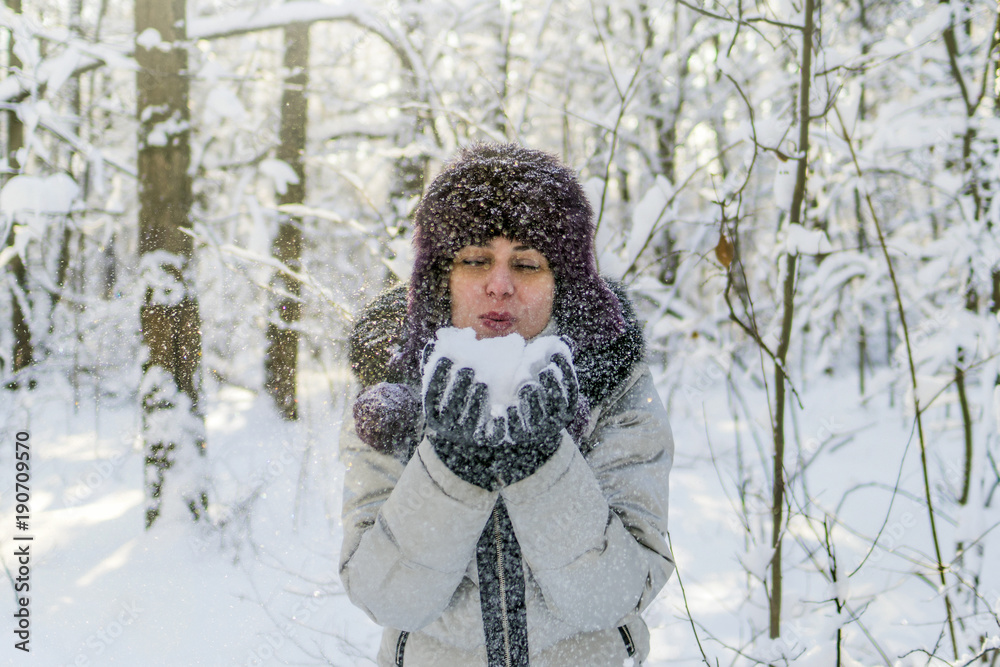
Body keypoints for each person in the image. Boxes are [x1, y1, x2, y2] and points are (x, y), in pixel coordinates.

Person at [340, 142, 674, 666]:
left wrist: (544, 467)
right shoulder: (393, 394)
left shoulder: (616, 389)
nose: (500, 286)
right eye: (475, 260)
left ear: (563, 283)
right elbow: (388, 599)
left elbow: (612, 598)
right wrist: (450, 471)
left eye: (527, 263)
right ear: (440, 277)